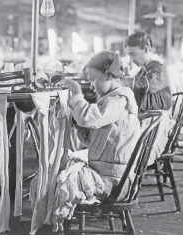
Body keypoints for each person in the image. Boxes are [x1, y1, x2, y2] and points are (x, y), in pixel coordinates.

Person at [59, 51, 141, 202]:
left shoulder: (119, 100)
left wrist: (77, 93)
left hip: (113, 184)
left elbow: (87, 118)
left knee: (60, 178)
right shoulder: (112, 99)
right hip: (107, 176)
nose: (91, 86)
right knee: (63, 169)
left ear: (108, 76)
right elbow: (91, 140)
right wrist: (78, 124)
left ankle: (55, 223)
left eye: (93, 79)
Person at [124, 31, 172, 165]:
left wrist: (120, 81)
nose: (131, 59)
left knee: (129, 152)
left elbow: (146, 85)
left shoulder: (160, 69)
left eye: (133, 54)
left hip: (156, 121)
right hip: (146, 118)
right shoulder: (141, 70)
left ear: (145, 49)